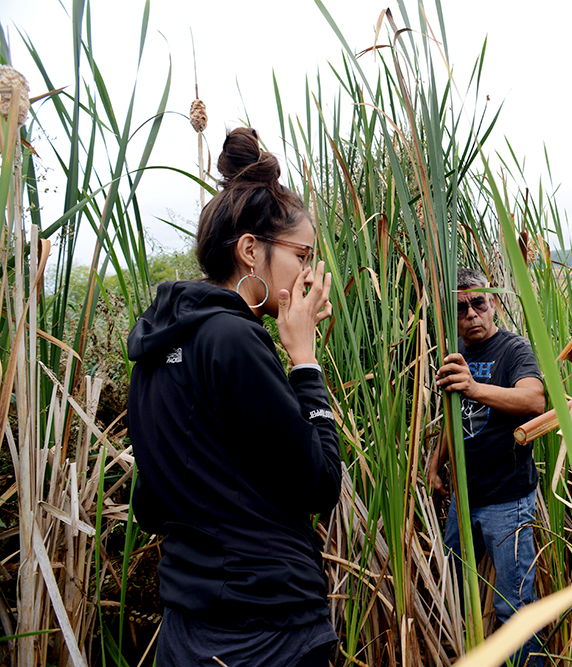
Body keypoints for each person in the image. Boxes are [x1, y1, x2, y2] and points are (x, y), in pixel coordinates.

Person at [127, 127, 343, 667]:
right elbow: (319, 484)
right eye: (303, 255)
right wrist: (304, 360)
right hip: (268, 630)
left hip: (187, 631)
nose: (310, 274)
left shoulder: (155, 345)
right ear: (250, 250)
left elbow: (151, 505)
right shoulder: (233, 338)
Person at [431, 267, 546, 666]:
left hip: (507, 499)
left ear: (493, 302)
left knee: (514, 606)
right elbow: (454, 417)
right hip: (464, 497)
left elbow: (534, 401)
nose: (471, 314)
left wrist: (475, 387)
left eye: (478, 302)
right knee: (453, 587)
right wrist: (435, 464)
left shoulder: (513, 350)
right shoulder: (454, 352)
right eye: (460, 308)